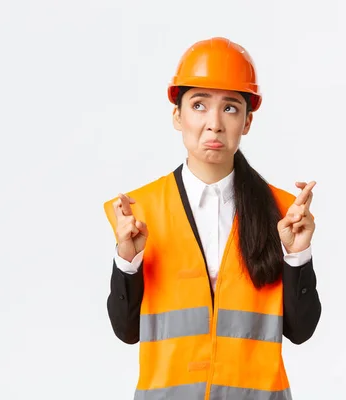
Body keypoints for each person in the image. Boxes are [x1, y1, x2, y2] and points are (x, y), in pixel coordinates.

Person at [104, 37, 322, 400]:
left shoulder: (282, 213)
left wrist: (297, 254)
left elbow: (300, 330)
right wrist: (127, 260)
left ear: (248, 121)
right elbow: (126, 330)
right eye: (199, 105)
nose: (214, 124)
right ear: (177, 115)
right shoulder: (139, 212)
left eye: (231, 109)